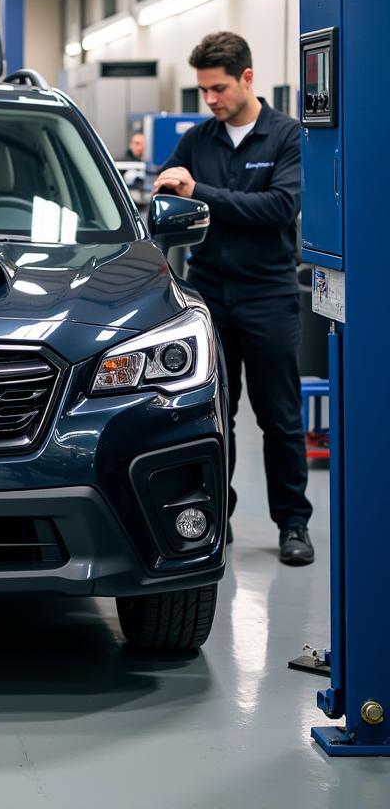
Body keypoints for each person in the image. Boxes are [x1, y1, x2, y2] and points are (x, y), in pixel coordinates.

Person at [153, 31, 313, 566]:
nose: (211, 100)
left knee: (281, 418)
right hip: (211, 296)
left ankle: (293, 524)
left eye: (218, 88)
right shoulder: (198, 140)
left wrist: (200, 194)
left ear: (247, 77)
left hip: (268, 293)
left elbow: (277, 209)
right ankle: (216, 517)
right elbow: (165, 194)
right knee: (215, 413)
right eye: (203, 91)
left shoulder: (286, 137)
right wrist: (168, 188)